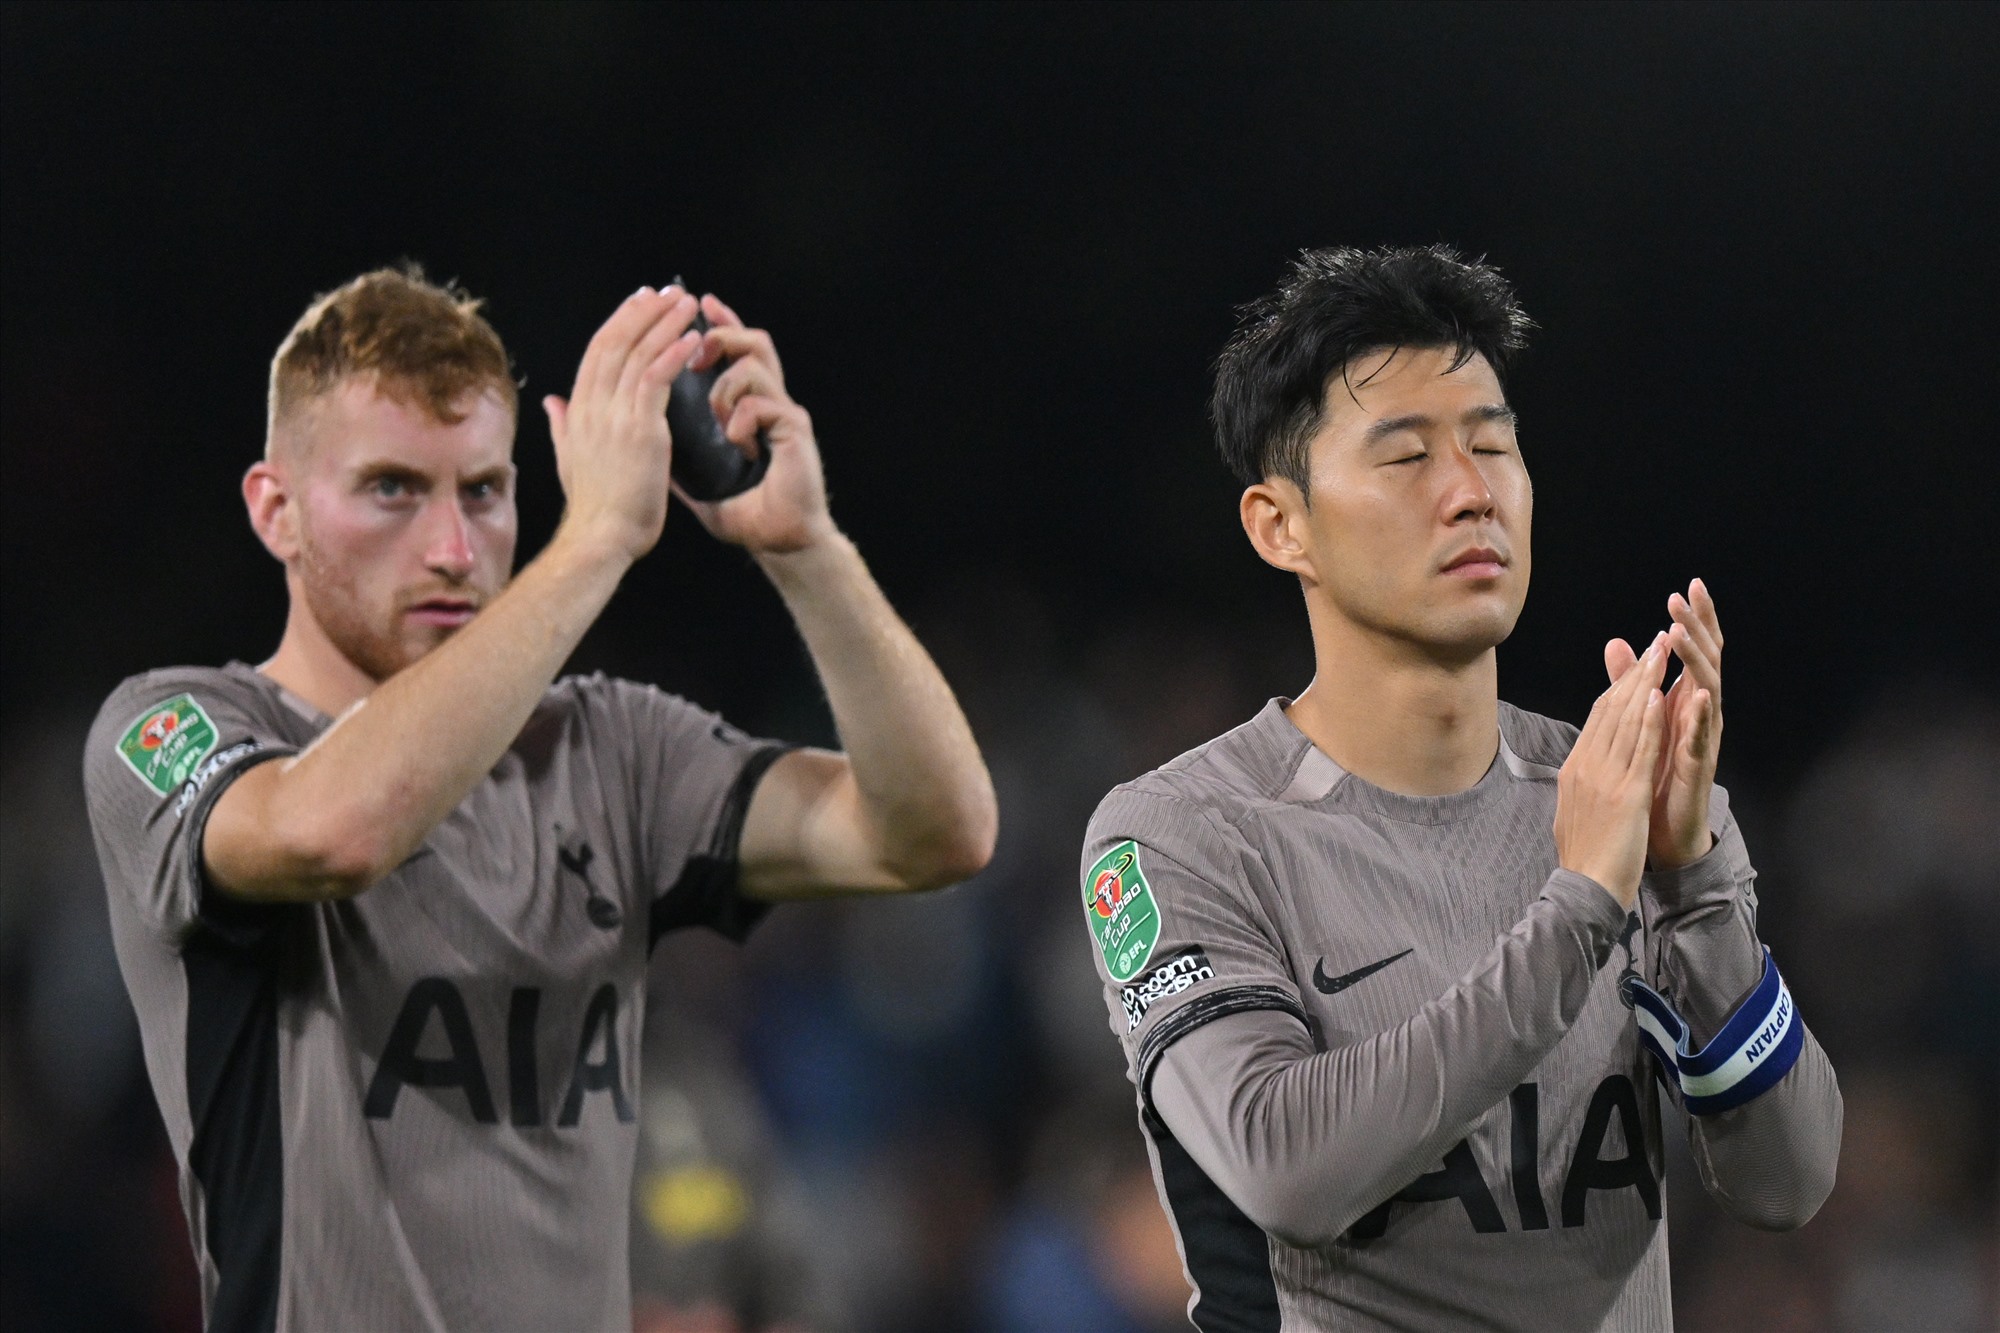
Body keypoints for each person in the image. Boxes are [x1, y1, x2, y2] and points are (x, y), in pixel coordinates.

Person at [83, 267, 997, 1333]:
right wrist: (596, 539)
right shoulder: (174, 729)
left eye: (482, 490)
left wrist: (806, 551)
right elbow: (332, 832)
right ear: (275, 510)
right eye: (392, 487)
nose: (453, 550)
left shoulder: (609, 749)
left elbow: (934, 832)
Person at [1078, 245, 1841, 1331]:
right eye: (1404, 458)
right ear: (1278, 524)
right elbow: (1286, 1167)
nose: (1470, 491)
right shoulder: (1183, 834)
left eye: (1491, 444)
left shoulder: (1613, 793)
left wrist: (1693, 882)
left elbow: (1787, 1182)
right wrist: (1578, 907)